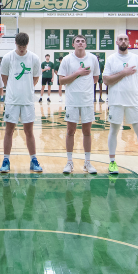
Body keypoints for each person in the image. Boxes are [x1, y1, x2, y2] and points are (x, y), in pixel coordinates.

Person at [103, 33, 138, 174]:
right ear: (116, 42)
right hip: (116, 101)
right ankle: (112, 162)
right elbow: (106, 80)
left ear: (129, 41)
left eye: (126, 39)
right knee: (113, 131)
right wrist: (124, 72)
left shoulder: (136, 58)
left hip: (133, 101)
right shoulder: (111, 59)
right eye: (121, 39)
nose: (123, 41)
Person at [0, 33, 42, 173]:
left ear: (27, 44)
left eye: (24, 46)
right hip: (12, 101)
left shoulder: (34, 58)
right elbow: (4, 78)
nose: (22, 49)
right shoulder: (7, 57)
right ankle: (6, 160)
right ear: (15, 44)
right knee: (9, 131)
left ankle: (34, 160)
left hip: (28, 100)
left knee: (29, 132)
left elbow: (35, 79)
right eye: (19, 46)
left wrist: (25, 89)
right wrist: (13, 89)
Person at [58, 35, 100, 174]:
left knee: (87, 132)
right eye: (78, 41)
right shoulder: (67, 59)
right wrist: (77, 73)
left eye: (82, 41)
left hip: (87, 100)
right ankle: (69, 162)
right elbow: (61, 81)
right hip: (72, 101)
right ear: (73, 44)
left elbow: (95, 78)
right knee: (70, 131)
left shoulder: (93, 59)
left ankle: (87, 163)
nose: (80, 43)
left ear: (86, 45)